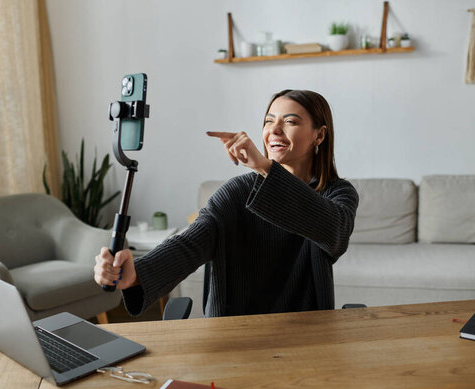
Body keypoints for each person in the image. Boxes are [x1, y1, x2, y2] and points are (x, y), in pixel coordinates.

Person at [94, 89, 359, 318]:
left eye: (290, 121)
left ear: (319, 136)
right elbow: (189, 244)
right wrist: (136, 274)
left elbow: (334, 232)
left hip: (307, 331)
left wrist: (266, 168)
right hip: (235, 330)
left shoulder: (338, 194)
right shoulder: (236, 192)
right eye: (269, 121)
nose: (274, 130)